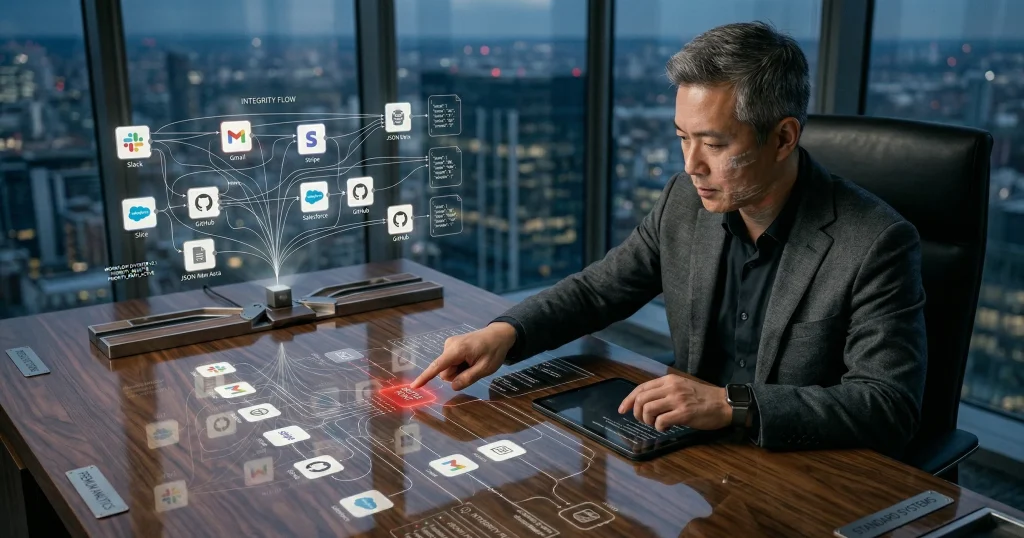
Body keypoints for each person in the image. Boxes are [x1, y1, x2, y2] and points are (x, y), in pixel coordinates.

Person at [411, 21, 926, 457]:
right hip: (684, 454)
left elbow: (888, 404)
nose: (691, 165)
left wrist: (732, 405)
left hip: (796, 465)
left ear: (784, 137)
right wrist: (507, 333)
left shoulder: (875, 241)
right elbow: (599, 291)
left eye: (715, 144)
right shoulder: (684, 200)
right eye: (683, 137)